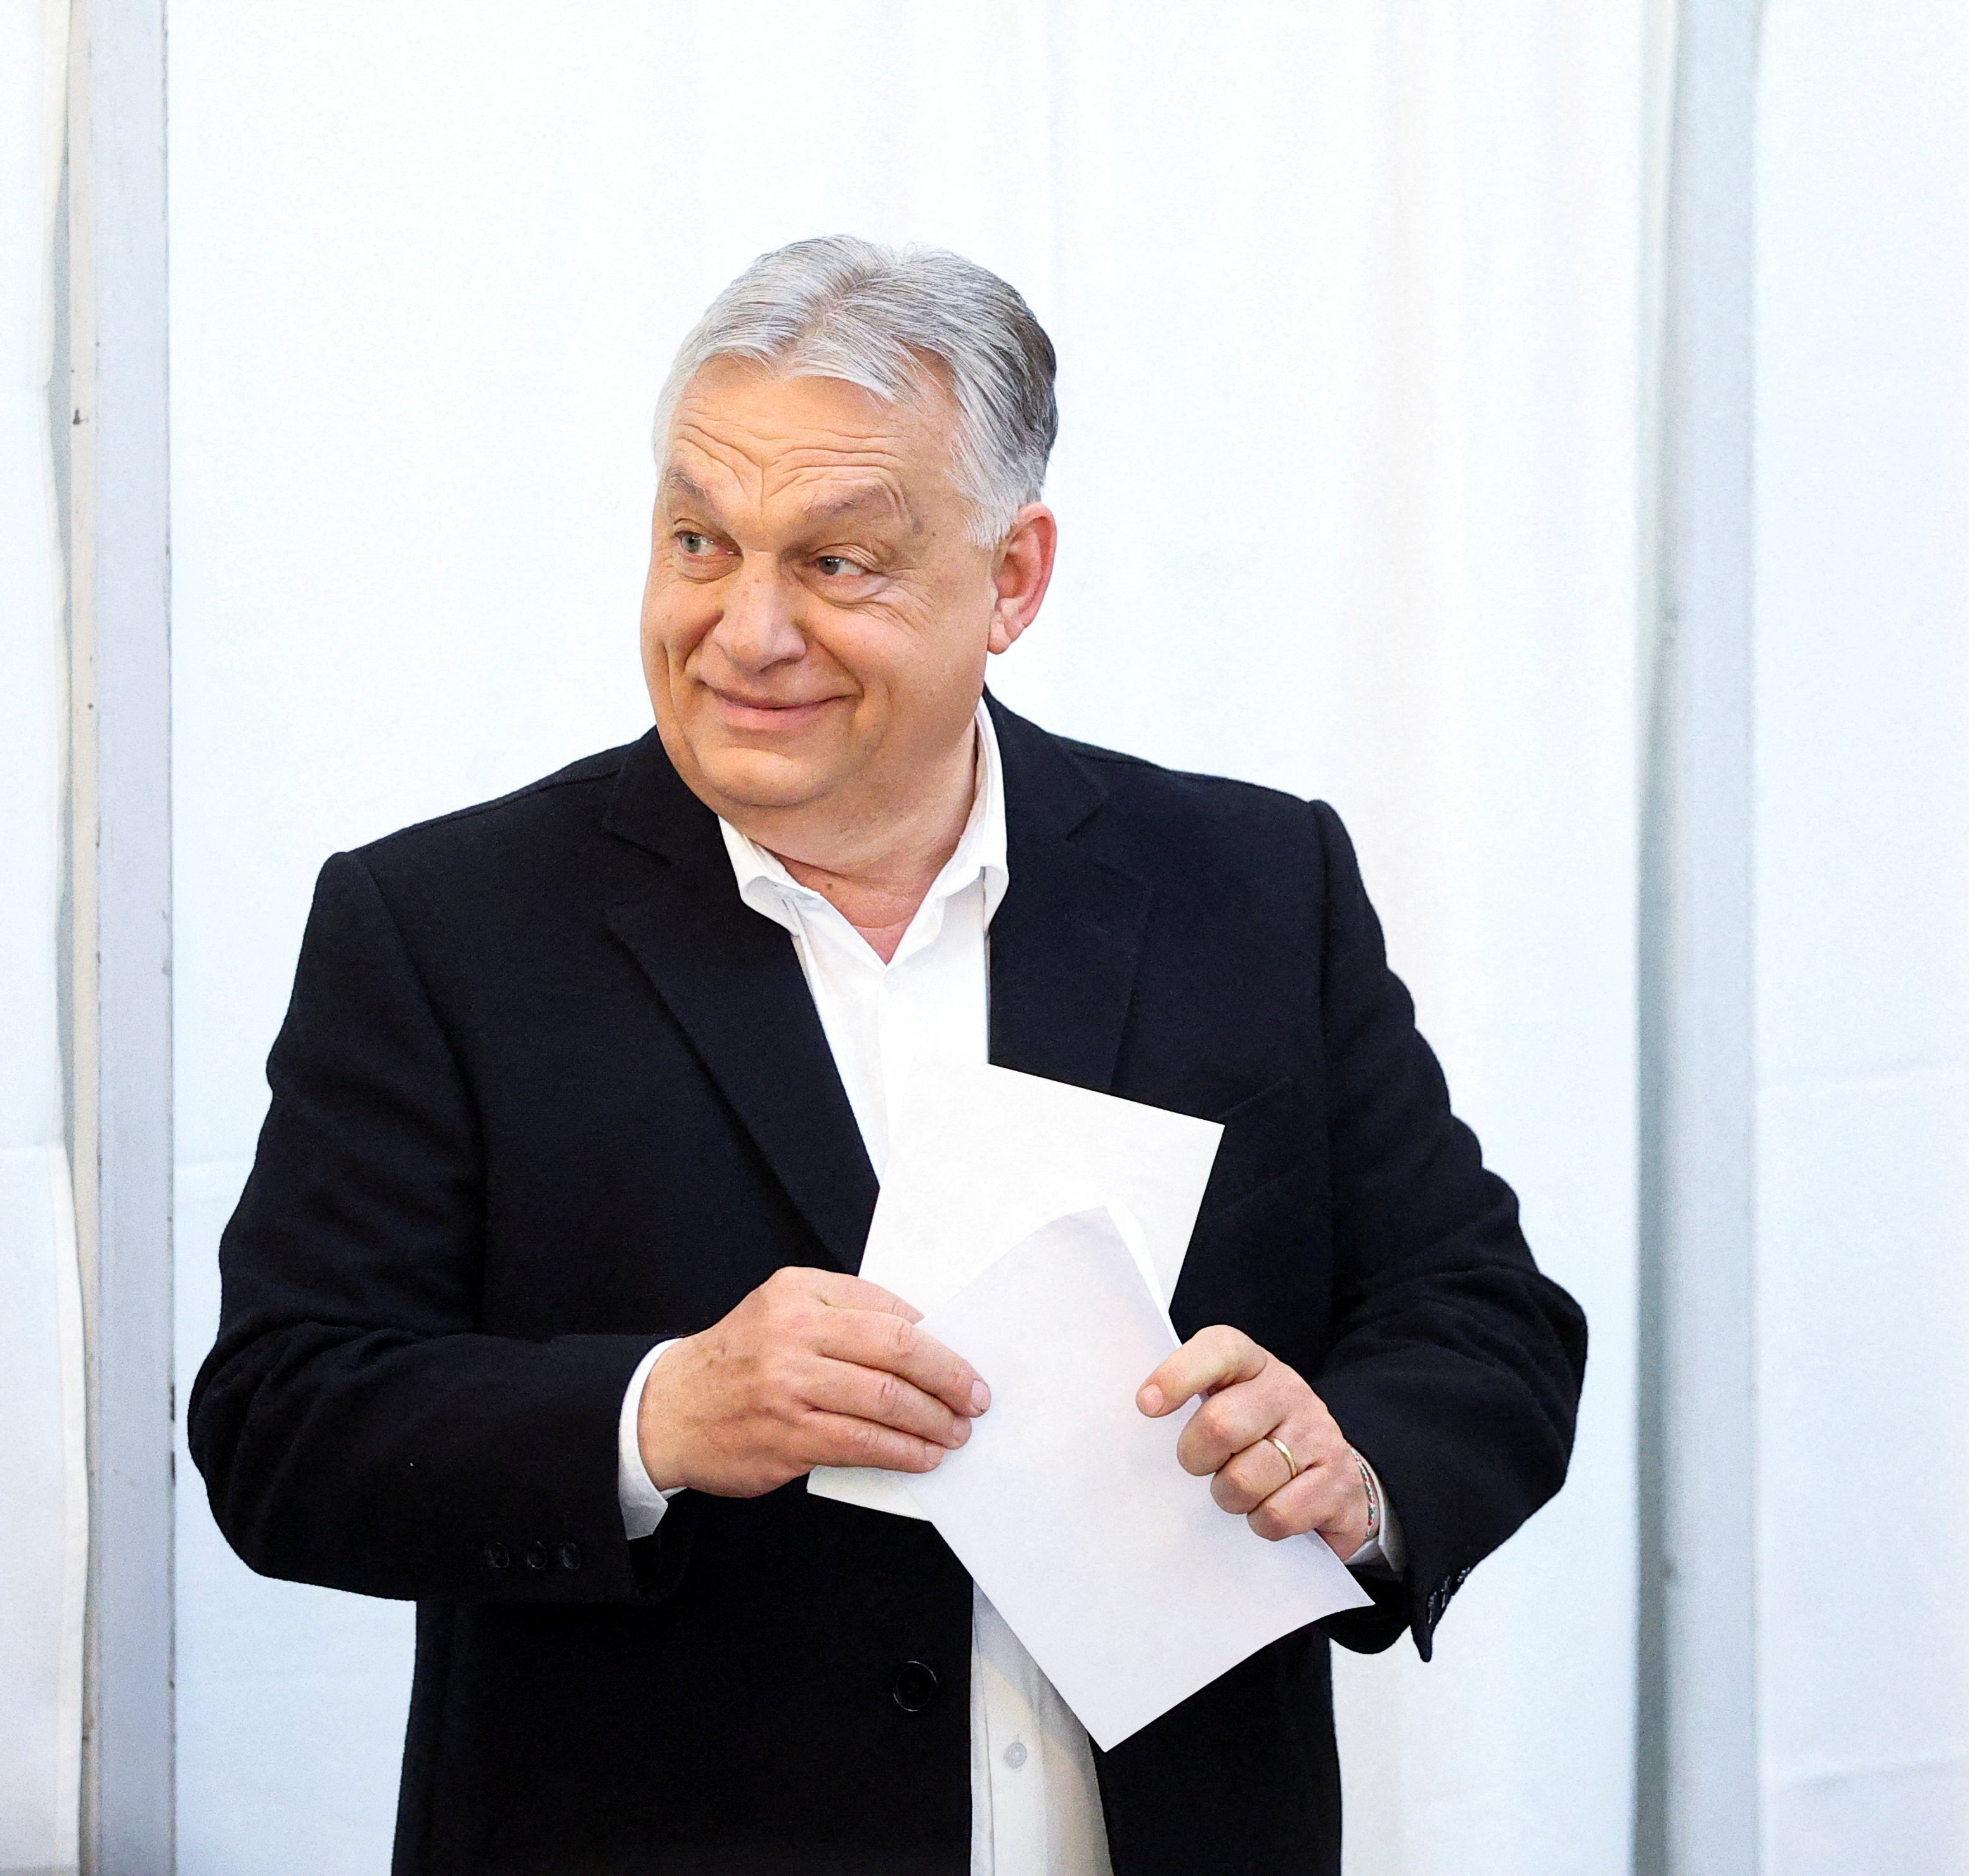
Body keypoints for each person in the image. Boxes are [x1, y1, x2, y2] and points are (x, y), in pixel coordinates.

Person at [189, 235, 1586, 1876]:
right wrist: (656, 1415)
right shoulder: (441, 928)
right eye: (699, 539)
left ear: (1015, 579)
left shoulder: (1251, 888)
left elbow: (1485, 1322)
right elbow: (280, 1426)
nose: (745, 630)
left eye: (839, 564)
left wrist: (1351, 1465)